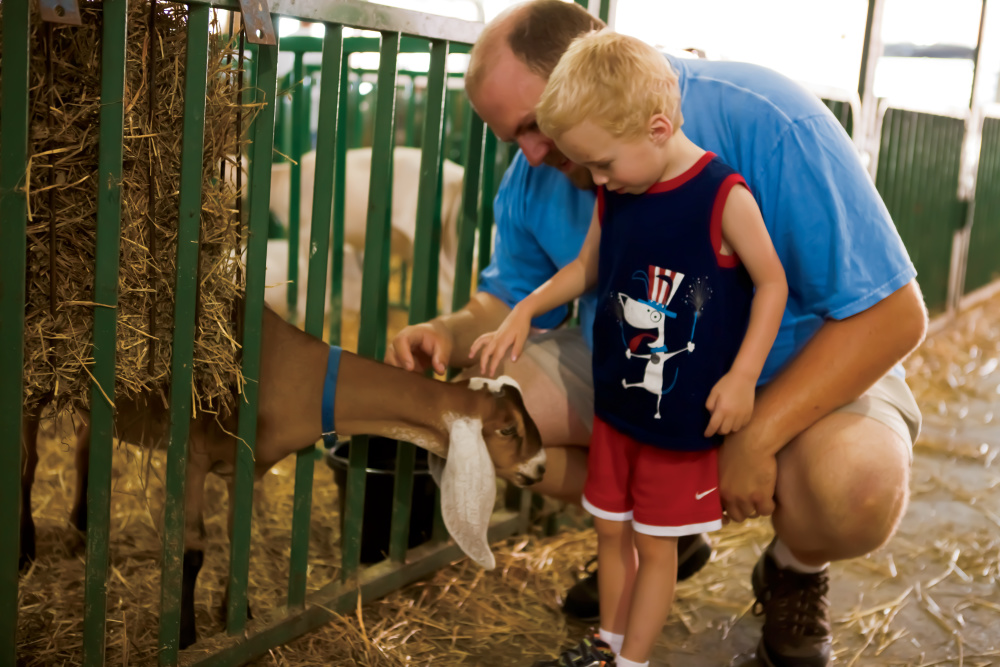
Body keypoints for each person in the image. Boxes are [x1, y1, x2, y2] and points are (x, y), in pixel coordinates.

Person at [385, 2, 926, 665]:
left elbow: (895, 314)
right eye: (515, 139)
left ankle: (795, 565)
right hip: (648, 361)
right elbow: (506, 298)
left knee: (857, 485)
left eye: (533, 125)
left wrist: (757, 434)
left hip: (793, 364)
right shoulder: (550, 167)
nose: (530, 154)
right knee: (479, 413)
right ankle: (663, 528)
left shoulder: (767, 119)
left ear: (589, 70)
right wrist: (447, 330)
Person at [470, 30, 788, 667]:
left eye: (603, 164)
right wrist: (527, 307)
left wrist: (744, 376)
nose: (594, 179)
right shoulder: (615, 192)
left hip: (680, 413)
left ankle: (632, 660)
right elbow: (586, 268)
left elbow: (773, 283)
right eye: (586, 166)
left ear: (658, 127)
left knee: (656, 543)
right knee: (610, 530)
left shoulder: (723, 196)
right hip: (618, 403)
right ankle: (606, 645)